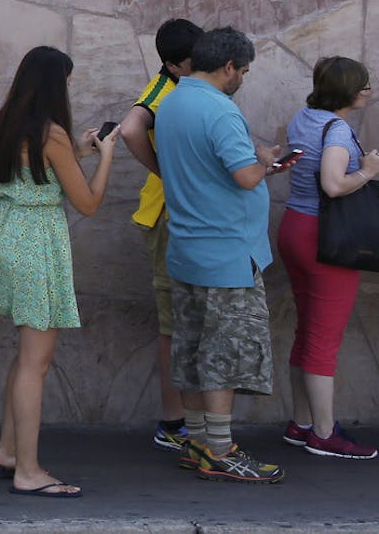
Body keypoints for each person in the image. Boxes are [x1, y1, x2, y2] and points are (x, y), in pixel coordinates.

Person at [0, 46, 115, 498]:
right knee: (36, 363)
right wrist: (106, 155)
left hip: (6, 236)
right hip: (36, 243)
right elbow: (89, 204)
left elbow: (34, 171)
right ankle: (29, 471)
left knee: (26, 357)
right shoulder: (51, 133)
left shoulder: (10, 122)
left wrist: (75, 153)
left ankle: (8, 452)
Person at [155, 28, 284, 484]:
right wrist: (266, 159)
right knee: (223, 356)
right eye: (244, 71)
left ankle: (196, 441)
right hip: (227, 253)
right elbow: (247, 177)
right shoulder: (221, 110)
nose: (243, 78)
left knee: (190, 350)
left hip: (186, 247)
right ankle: (221, 449)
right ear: (228, 67)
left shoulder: (171, 103)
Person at [115, 19, 208, 454]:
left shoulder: (190, 87)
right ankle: (174, 422)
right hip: (169, 219)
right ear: (173, 64)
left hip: (187, 217)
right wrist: (164, 170)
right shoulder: (160, 90)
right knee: (174, 325)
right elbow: (131, 130)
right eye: (194, 61)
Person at [279, 56, 379, 460]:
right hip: (327, 238)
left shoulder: (304, 118)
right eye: (364, 85)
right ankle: (323, 433)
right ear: (348, 92)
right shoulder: (337, 131)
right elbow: (334, 185)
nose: (368, 91)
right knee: (324, 339)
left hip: (294, 228)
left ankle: (300, 423)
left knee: (307, 331)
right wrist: (369, 170)